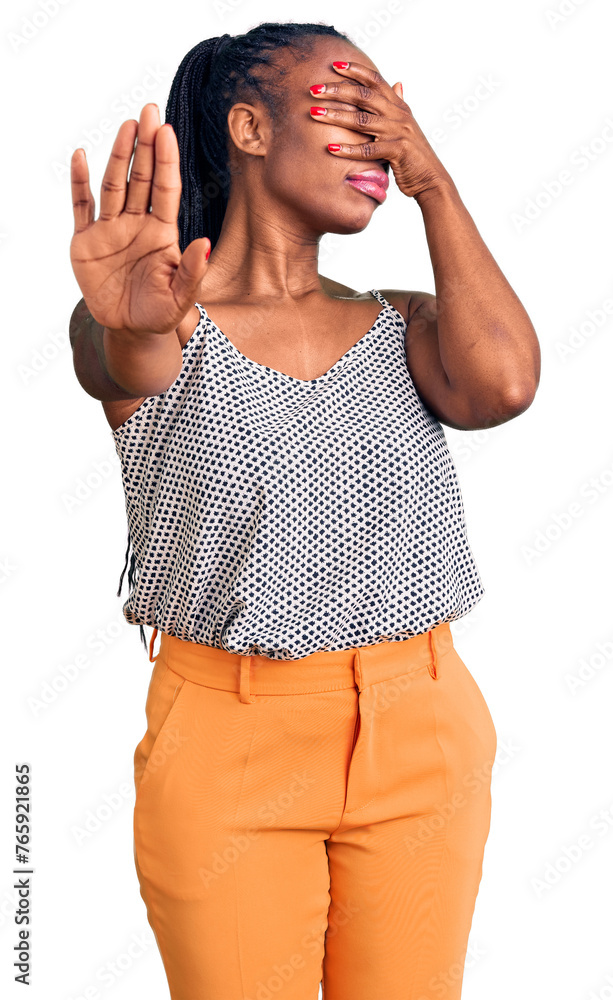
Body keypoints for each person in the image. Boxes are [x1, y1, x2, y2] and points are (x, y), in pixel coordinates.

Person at [68, 20, 540, 1000]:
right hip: (227, 744)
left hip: (423, 729)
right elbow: (124, 359)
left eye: (387, 112)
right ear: (248, 126)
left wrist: (433, 182)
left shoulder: (403, 323)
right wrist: (125, 321)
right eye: (346, 105)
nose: (376, 135)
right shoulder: (160, 318)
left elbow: (502, 384)